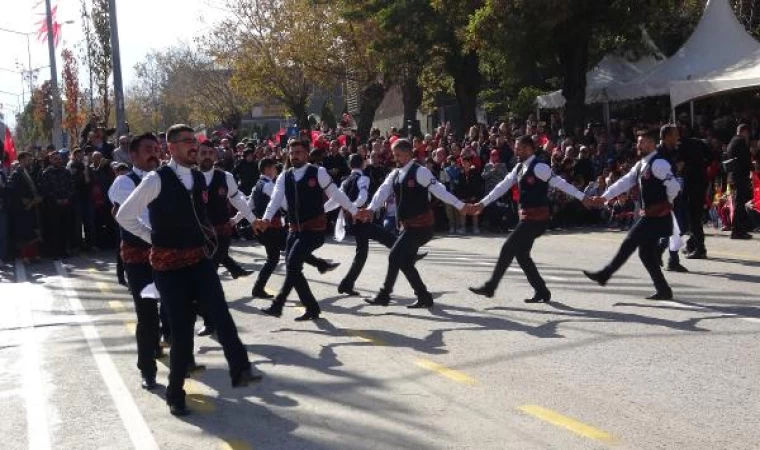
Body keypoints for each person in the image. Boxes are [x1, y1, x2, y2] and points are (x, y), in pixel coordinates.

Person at [116, 124, 260, 416]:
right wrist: (152, 237)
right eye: (186, 142)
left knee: (218, 312)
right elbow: (124, 215)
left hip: (199, 260)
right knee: (178, 331)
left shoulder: (197, 177)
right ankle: (172, 389)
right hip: (168, 267)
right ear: (171, 147)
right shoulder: (156, 180)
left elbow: (203, 212)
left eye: (195, 141)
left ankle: (239, 367)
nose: (193, 146)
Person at [466, 135, 589, 303]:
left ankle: (490, 286)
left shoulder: (539, 167)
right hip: (526, 218)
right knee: (522, 255)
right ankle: (542, 291)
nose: (517, 151)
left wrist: (583, 197)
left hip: (537, 219)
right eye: (516, 147)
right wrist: (482, 203)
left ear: (530, 148)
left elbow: (561, 183)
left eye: (520, 148)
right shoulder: (518, 168)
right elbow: (501, 187)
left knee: (508, 247)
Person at [254, 138, 359, 321]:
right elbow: (275, 200)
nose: (295, 156)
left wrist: (354, 211)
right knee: (292, 267)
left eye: (299, 152)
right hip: (294, 230)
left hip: (314, 230)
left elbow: (335, 193)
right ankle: (286, 306)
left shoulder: (318, 172)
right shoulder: (284, 176)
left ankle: (298, 306)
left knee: (293, 264)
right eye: (292, 153)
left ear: (306, 153)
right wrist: (266, 218)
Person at [355, 139, 466, 309]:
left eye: (398, 154)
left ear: (408, 153)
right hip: (408, 227)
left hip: (422, 227)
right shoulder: (396, 174)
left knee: (394, 256)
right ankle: (424, 297)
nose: (395, 158)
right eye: (394, 154)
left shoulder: (420, 172)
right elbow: (382, 191)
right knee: (405, 262)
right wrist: (370, 209)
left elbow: (440, 191)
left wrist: (461, 206)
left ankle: (384, 295)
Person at [583, 130, 681, 300]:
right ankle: (663, 290)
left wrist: (667, 203)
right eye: (638, 142)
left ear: (651, 143)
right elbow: (624, 182)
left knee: (629, 242)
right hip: (650, 216)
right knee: (645, 254)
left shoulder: (659, 164)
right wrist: (603, 198)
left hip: (657, 217)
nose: (638, 145)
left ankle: (604, 275)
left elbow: (674, 186)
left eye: (642, 142)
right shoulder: (642, 164)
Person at [325, 154, 427, 296]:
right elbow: (363, 197)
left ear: (350, 166)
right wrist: (354, 210)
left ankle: (346, 284)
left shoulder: (345, 181)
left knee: (364, 252)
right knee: (385, 238)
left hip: (354, 221)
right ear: (363, 164)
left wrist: (321, 210)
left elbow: (335, 200)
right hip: (360, 219)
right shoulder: (363, 178)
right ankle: (409, 256)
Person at [108, 133, 164, 390]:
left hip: (166, 254)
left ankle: (161, 345)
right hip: (139, 256)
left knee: (175, 309)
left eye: (156, 148)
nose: (154, 153)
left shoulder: (165, 178)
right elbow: (138, 214)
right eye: (147, 150)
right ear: (133, 155)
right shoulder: (123, 182)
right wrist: (156, 236)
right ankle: (147, 368)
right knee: (147, 313)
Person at [195, 141, 255, 337]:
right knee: (203, 280)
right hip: (198, 235)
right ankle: (207, 315)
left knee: (208, 276)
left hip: (221, 235)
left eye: (210, 153)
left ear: (215, 156)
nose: (206, 156)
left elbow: (237, 200)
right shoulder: (189, 177)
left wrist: (253, 220)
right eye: (203, 153)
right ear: (197, 155)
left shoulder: (225, 177)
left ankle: (211, 321)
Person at [39, 151, 75, 259]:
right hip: (52, 206)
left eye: (59, 159)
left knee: (65, 228)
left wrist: (67, 198)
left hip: (65, 205)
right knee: (54, 229)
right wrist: (56, 200)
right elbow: (45, 190)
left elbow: (71, 186)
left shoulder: (66, 172)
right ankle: (54, 252)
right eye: (55, 159)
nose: (58, 161)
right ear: (50, 160)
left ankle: (63, 251)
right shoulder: (46, 173)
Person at [8, 152, 43, 262]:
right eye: (28, 159)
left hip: (32, 207)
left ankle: (34, 254)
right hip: (23, 208)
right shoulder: (16, 174)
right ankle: (25, 256)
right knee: (24, 232)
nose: (30, 161)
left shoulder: (29, 172)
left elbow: (34, 187)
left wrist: (37, 198)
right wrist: (28, 201)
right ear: (22, 160)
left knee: (33, 230)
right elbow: (16, 192)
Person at [726, 124, 753, 239]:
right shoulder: (741, 142)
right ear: (744, 132)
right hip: (740, 177)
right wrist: (752, 168)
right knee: (739, 204)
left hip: (733, 176)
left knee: (738, 203)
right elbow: (745, 159)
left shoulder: (732, 141)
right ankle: (737, 230)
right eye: (748, 133)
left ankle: (737, 229)